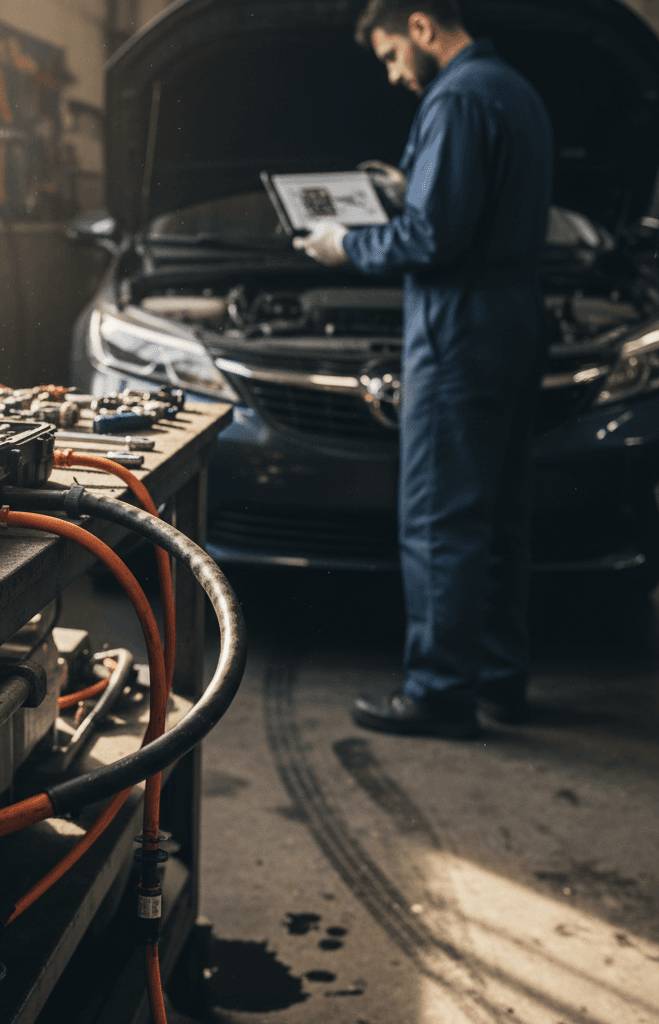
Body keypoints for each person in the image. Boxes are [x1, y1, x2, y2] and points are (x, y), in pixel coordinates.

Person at [294, 0, 553, 738]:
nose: (393, 74)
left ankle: (440, 692)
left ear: (420, 27)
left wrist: (347, 244)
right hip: (513, 322)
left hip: (459, 328)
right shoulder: (512, 89)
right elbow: (475, 205)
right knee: (500, 516)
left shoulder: (458, 96)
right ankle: (501, 682)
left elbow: (434, 239)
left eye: (389, 57)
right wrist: (411, 190)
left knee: (441, 518)